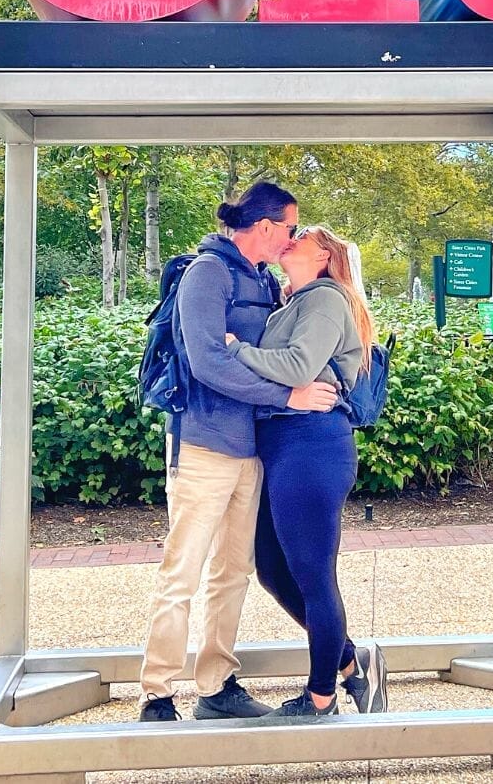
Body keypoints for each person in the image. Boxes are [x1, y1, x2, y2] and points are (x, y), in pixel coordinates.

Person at [136, 183, 340, 724]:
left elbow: (277, 353)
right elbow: (208, 362)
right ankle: (157, 694)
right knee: (182, 571)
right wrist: (286, 396)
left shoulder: (265, 280)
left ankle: (216, 686)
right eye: (290, 228)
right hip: (204, 445)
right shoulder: (207, 273)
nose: (293, 237)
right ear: (266, 226)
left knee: (233, 572)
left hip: (252, 451)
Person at [226, 224, 387, 720]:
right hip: (283, 446)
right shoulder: (294, 302)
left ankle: (320, 699)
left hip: (311, 445)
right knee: (274, 569)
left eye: (305, 236)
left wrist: (235, 349)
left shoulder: (325, 298)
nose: (291, 238)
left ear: (324, 257)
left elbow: (298, 367)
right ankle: (351, 663)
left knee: (314, 575)